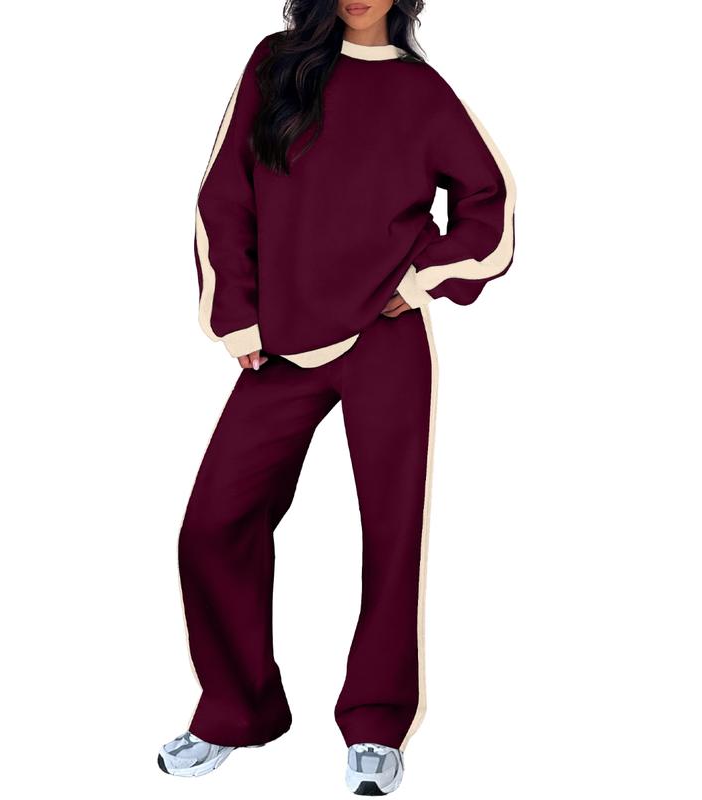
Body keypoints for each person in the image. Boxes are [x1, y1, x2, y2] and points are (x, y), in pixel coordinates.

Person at [158, 0, 516, 793]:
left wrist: (418, 280)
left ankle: (377, 724)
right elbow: (223, 194)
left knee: (391, 533)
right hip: (282, 344)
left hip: (387, 341)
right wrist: (237, 314)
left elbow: (490, 210)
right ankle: (237, 710)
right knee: (214, 525)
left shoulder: (422, 93)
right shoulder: (276, 63)